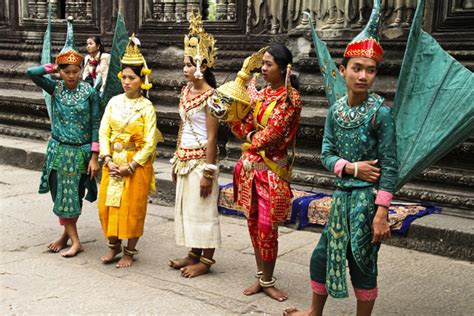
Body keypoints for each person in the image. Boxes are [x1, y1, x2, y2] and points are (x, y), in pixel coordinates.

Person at [284, 2, 397, 315]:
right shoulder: (335, 111)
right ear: (343, 70)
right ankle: (314, 312)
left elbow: (390, 166)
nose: (363, 76)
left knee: (362, 261)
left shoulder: (381, 114)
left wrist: (381, 213)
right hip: (341, 198)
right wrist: (350, 167)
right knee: (322, 257)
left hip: (366, 202)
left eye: (370, 70)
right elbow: (326, 153)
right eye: (357, 68)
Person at [228, 44, 302, 301]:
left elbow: (273, 135)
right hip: (250, 169)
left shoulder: (290, 99)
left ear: (283, 68)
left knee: (266, 226)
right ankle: (262, 276)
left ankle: (268, 280)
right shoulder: (261, 95)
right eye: (263, 63)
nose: (263, 68)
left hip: (271, 172)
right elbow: (242, 127)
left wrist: (248, 136)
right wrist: (232, 117)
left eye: (269, 64)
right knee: (252, 223)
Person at [26, 20, 100, 258]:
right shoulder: (56, 88)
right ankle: (71, 238)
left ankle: (70, 238)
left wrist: (94, 156)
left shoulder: (89, 92)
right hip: (59, 150)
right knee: (60, 194)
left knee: (74, 195)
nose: (70, 76)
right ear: (60, 72)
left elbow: (96, 123)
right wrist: (52, 67)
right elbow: (31, 73)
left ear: (81, 71)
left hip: (80, 152)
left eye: (74, 71)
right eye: (66, 72)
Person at [98, 34, 161, 269]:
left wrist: (131, 166)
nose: (126, 82)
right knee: (108, 205)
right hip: (112, 161)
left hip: (135, 164)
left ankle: (129, 251)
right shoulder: (113, 101)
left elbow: (150, 142)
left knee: (132, 208)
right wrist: (106, 158)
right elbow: (104, 131)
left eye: (131, 78)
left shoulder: (147, 107)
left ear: (141, 79)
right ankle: (112, 245)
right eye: (123, 77)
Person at [168, 12, 222, 278]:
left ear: (202, 66)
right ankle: (193, 252)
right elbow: (182, 126)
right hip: (185, 158)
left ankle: (206, 261)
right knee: (188, 208)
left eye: (189, 64)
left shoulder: (212, 97)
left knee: (203, 210)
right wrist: (176, 158)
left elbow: (213, 137)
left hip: (202, 160)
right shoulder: (186, 91)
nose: (185, 68)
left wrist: (209, 173)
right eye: (185, 63)